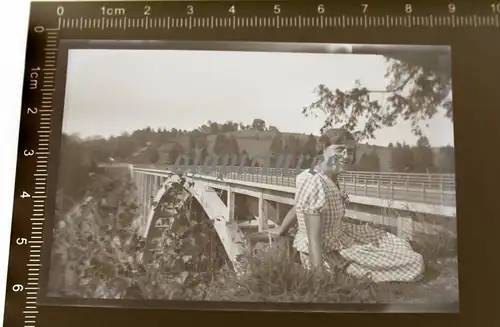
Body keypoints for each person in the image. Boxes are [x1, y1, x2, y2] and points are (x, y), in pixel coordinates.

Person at [268, 128, 425, 283]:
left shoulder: (327, 175)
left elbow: (298, 207)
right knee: (415, 262)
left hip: (341, 235)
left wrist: (281, 230)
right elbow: (313, 237)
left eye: (350, 151)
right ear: (323, 148)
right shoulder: (314, 181)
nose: (346, 156)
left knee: (401, 245)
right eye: (339, 149)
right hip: (329, 251)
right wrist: (318, 275)